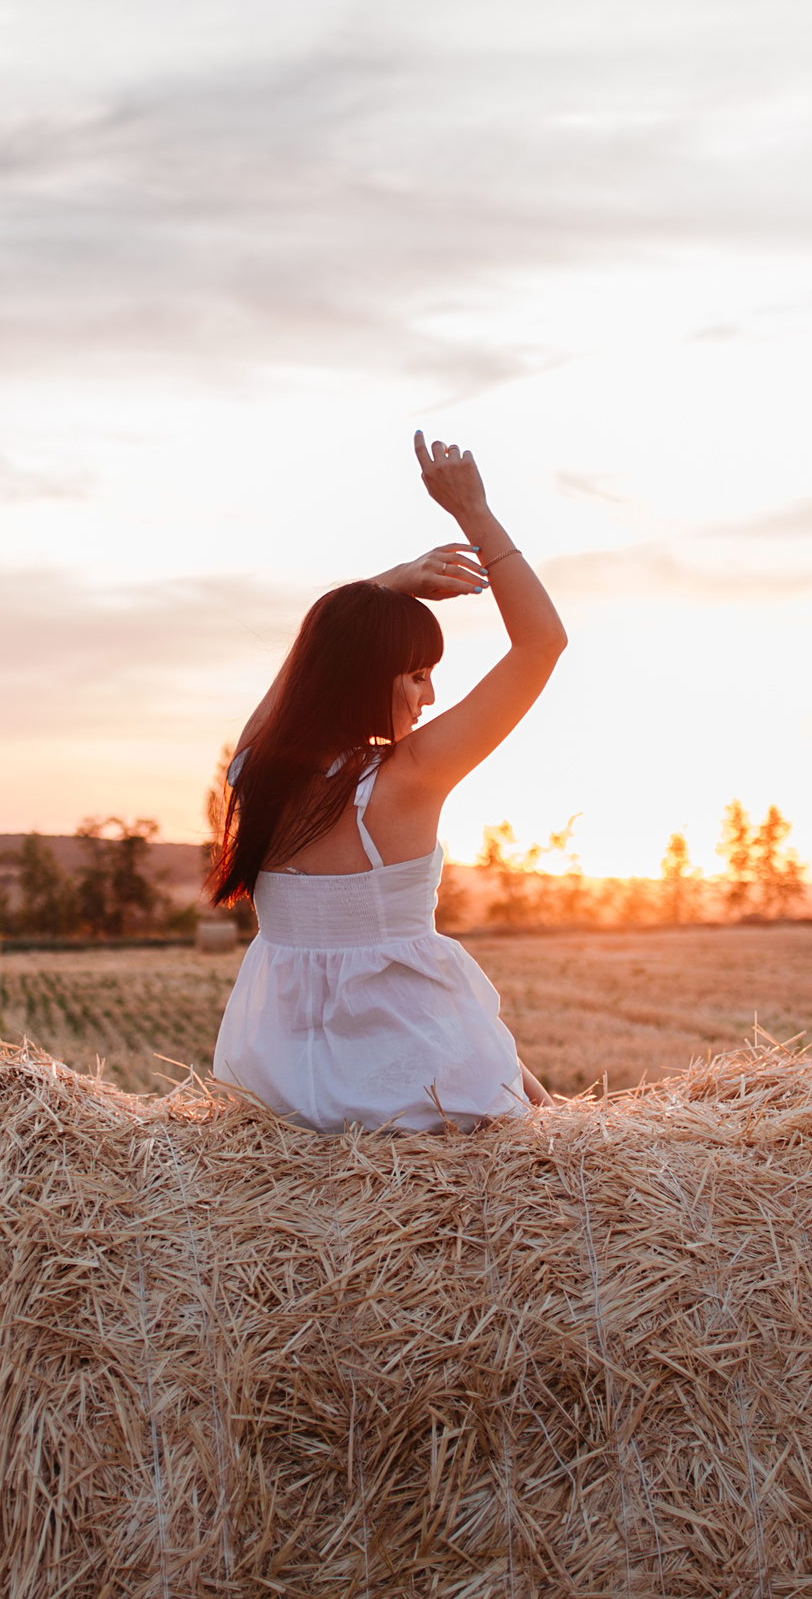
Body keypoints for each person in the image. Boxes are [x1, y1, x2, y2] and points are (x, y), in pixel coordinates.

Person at [206, 432, 567, 1132]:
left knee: (524, 1085)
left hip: (282, 1086)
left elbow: (306, 667)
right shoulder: (405, 778)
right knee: (541, 1115)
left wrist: (384, 587)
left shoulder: (255, 770)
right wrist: (477, 514)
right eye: (418, 674)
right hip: (403, 1086)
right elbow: (542, 643)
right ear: (371, 676)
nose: (429, 698)